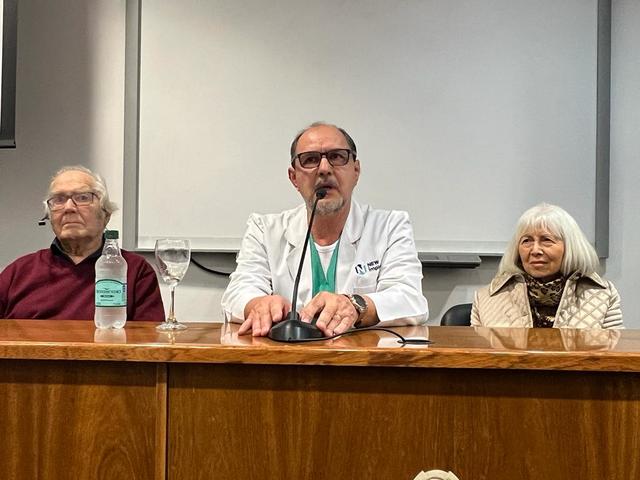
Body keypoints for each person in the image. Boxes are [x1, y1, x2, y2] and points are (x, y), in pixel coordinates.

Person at [222, 122, 428, 336]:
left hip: (364, 362)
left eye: (337, 157)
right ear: (294, 177)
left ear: (355, 171)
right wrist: (258, 304)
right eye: (310, 160)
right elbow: (237, 293)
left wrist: (356, 306)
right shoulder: (265, 229)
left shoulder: (389, 226)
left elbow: (411, 300)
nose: (324, 169)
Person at [0, 166, 165, 321]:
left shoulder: (134, 271)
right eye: (59, 199)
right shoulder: (19, 272)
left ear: (105, 215)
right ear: (49, 216)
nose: (69, 207)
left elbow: (148, 344)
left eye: (83, 198)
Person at [471, 203, 622, 329]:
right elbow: (475, 361)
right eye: (527, 241)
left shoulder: (603, 295)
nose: (535, 250)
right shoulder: (486, 298)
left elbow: (613, 358)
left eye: (546, 240)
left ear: (570, 247)